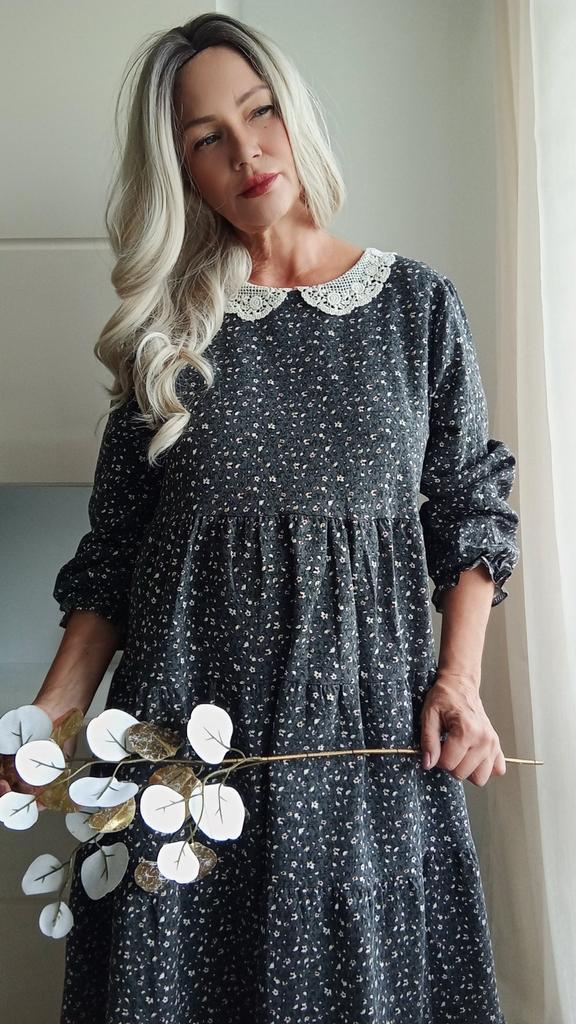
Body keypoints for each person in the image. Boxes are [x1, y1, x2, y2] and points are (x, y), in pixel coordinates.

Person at [9, 12, 521, 1023]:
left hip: (364, 742)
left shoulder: (417, 306)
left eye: (260, 112)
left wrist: (460, 681)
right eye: (207, 137)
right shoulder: (166, 334)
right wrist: (46, 726)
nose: (246, 151)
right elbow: (113, 557)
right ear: (183, 171)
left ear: (297, 115)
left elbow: (471, 508)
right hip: (184, 756)